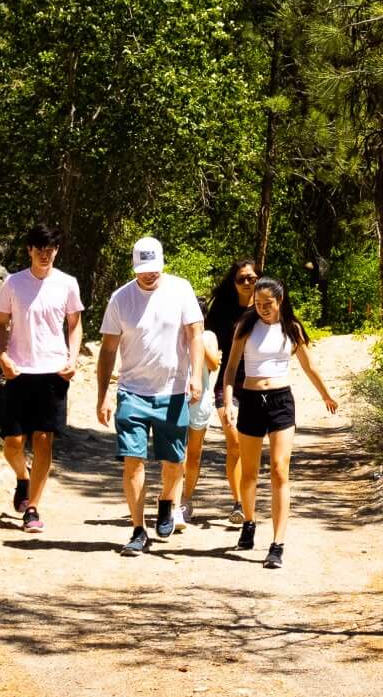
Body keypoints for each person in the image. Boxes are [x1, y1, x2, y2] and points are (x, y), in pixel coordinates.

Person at [94, 236, 203, 557]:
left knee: (174, 462)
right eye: (143, 270)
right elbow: (108, 349)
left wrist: (196, 376)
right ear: (134, 267)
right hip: (132, 392)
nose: (149, 275)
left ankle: (167, 501)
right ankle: (138, 529)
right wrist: (103, 395)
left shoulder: (181, 289)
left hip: (173, 391)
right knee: (133, 461)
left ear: (163, 263)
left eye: (154, 269)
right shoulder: (120, 299)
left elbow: (195, 335)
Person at [222, 274, 337, 567]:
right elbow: (231, 367)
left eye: (267, 303)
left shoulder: (292, 328)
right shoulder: (245, 326)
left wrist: (326, 395)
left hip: (280, 402)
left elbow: (309, 367)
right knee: (249, 474)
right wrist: (229, 400)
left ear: (280, 301)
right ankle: (249, 522)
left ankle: (277, 544)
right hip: (249, 401)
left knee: (279, 471)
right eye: (258, 303)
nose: (262, 308)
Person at [0, 223, 82, 535]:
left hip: (53, 372)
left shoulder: (67, 284)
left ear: (56, 250)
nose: (45, 254)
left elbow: (75, 325)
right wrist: (2, 357)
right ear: (29, 250)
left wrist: (73, 358)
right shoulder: (13, 284)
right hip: (19, 371)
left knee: (43, 441)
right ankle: (23, 478)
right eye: (39, 248)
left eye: (50, 248)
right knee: (13, 443)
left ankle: (32, 508)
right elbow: (0, 324)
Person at [182, 262, 255, 528]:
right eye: (242, 278)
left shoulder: (265, 308)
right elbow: (205, 345)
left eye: (253, 278)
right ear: (233, 282)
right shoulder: (222, 312)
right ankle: (237, 503)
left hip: (259, 386)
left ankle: (242, 502)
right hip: (228, 384)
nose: (248, 282)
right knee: (234, 442)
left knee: (246, 449)